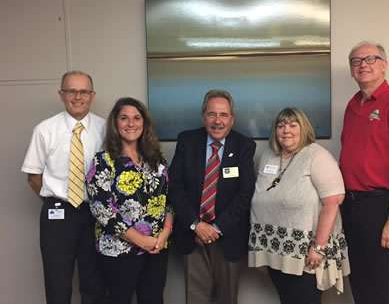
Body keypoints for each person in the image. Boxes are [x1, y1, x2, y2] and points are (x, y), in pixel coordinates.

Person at [340, 41, 389, 304]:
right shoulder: (352, 106)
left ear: (384, 65)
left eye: (370, 59)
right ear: (352, 70)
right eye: (356, 61)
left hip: (379, 206)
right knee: (361, 282)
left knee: (388, 287)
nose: (362, 64)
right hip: (350, 207)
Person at [248, 107, 350, 304]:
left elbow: (333, 202)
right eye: (281, 126)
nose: (286, 130)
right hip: (275, 251)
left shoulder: (317, 156)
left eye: (293, 125)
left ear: (304, 129)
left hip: (306, 253)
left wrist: (318, 247)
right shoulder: (269, 156)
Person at [21, 70, 107, 304]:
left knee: (95, 281)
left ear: (92, 95)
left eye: (83, 91)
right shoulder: (45, 129)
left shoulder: (106, 129)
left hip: (96, 214)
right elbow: (33, 177)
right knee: (57, 283)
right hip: (58, 214)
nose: (77, 97)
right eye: (71, 91)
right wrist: (56, 200)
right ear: (61, 94)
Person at [169, 89, 256, 304]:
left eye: (223, 115)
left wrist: (214, 229)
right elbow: (175, 187)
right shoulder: (187, 141)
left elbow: (245, 195)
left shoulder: (244, 146)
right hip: (192, 235)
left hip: (227, 236)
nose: (218, 121)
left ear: (232, 119)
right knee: (195, 298)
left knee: (227, 298)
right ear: (203, 116)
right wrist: (196, 225)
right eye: (212, 114)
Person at [86, 97, 173, 304]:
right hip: (118, 251)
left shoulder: (157, 159)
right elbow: (102, 209)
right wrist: (139, 240)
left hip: (156, 247)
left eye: (136, 118)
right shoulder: (103, 161)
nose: (131, 124)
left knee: (153, 299)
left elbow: (168, 200)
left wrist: (165, 233)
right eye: (124, 118)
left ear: (144, 122)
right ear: (115, 124)